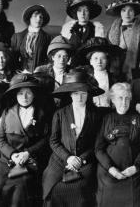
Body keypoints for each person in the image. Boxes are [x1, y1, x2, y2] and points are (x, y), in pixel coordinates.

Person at [42, 70, 103, 207]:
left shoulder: (96, 115)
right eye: (76, 94)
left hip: (85, 161)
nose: (79, 98)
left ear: (88, 94)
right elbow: (54, 141)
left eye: (83, 94)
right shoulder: (60, 114)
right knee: (53, 185)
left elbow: (97, 143)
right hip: (61, 159)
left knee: (77, 188)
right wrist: (68, 157)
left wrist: (81, 159)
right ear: (70, 95)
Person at [0, 73, 50, 207]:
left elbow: (46, 140)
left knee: (21, 188)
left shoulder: (42, 113)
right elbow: (0, 139)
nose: (25, 97)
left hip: (30, 160)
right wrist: (12, 154)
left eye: (28, 93)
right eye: (21, 93)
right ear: (15, 95)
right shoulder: (6, 112)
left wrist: (28, 153)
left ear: (34, 94)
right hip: (7, 159)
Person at [95, 82, 140, 207]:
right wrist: (111, 169)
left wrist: (136, 167)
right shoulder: (106, 119)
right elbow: (98, 149)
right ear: (113, 100)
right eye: (120, 98)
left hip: (132, 171)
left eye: (127, 98)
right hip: (108, 172)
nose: (124, 102)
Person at [106, 0, 140, 81]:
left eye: (131, 10)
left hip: (136, 70)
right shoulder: (111, 31)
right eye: (124, 10)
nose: (127, 14)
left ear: (135, 13)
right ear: (120, 13)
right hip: (116, 70)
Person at [75, 37, 124, 107]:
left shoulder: (115, 79)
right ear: (90, 61)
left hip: (108, 113)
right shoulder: (84, 78)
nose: (99, 61)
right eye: (96, 58)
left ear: (107, 61)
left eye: (103, 58)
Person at [34, 35, 74, 108]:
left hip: (65, 109)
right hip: (45, 108)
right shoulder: (41, 72)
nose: (62, 60)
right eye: (59, 56)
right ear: (52, 57)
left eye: (65, 56)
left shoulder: (72, 73)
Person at [11, 5, 51, 72]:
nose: (38, 19)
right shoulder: (17, 37)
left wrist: (41, 70)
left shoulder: (48, 38)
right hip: (21, 74)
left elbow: (49, 60)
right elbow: (13, 59)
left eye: (41, 17)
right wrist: (20, 71)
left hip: (40, 75)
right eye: (35, 16)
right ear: (29, 18)